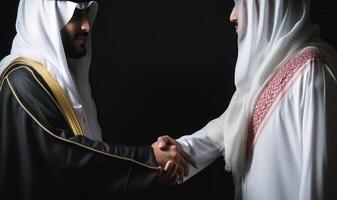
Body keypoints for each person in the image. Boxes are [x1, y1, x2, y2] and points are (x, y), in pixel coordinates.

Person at [158, 0, 337, 199]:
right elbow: (217, 134)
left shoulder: (312, 69)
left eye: (242, 4)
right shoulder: (264, 74)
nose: (233, 16)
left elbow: (321, 183)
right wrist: (171, 153)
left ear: (272, 7)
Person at [0, 0, 196, 199]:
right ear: (43, 19)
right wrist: (148, 160)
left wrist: (152, 167)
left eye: (87, 13)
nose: (87, 25)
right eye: (75, 15)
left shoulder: (60, 79)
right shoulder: (20, 80)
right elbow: (62, 156)